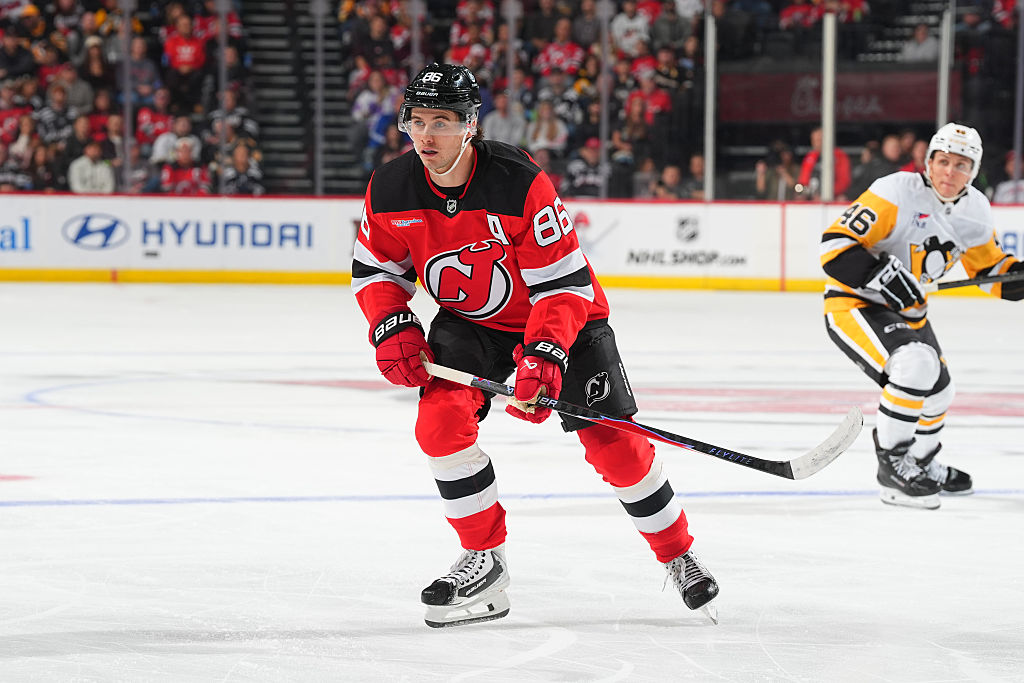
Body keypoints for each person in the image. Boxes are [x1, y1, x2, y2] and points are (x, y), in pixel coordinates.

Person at [351, 62, 719, 629]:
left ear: (470, 124)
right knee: (440, 426)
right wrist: (391, 324)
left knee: (615, 450)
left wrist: (545, 356)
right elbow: (377, 269)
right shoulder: (392, 186)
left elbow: (563, 285)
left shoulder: (519, 183)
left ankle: (678, 555)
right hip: (471, 323)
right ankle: (484, 558)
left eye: (441, 122)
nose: (425, 136)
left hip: (563, 321)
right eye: (415, 121)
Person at [821, 122, 1024, 510]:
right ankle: (892, 469)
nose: (950, 172)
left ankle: (922, 461)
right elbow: (834, 248)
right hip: (854, 303)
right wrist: (880, 274)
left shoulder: (976, 209)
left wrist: (1019, 276)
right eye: (943, 161)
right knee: (916, 364)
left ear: (974, 170)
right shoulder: (895, 191)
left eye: (961, 165)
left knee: (940, 390)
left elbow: (992, 274)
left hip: (908, 311)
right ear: (928, 161)